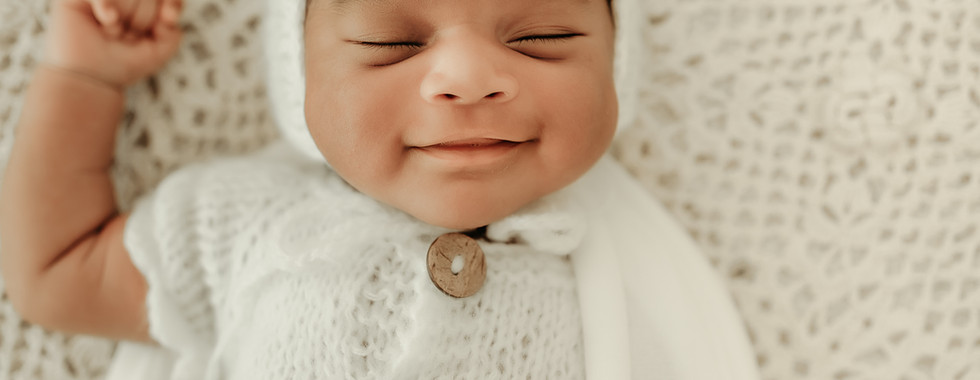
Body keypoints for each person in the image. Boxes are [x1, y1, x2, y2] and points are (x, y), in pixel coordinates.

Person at [0, 0, 760, 378]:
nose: (465, 79)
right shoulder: (250, 225)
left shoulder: (619, 278)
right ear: (300, 79)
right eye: (391, 43)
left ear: (618, 72)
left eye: (540, 38)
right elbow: (55, 271)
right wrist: (84, 79)